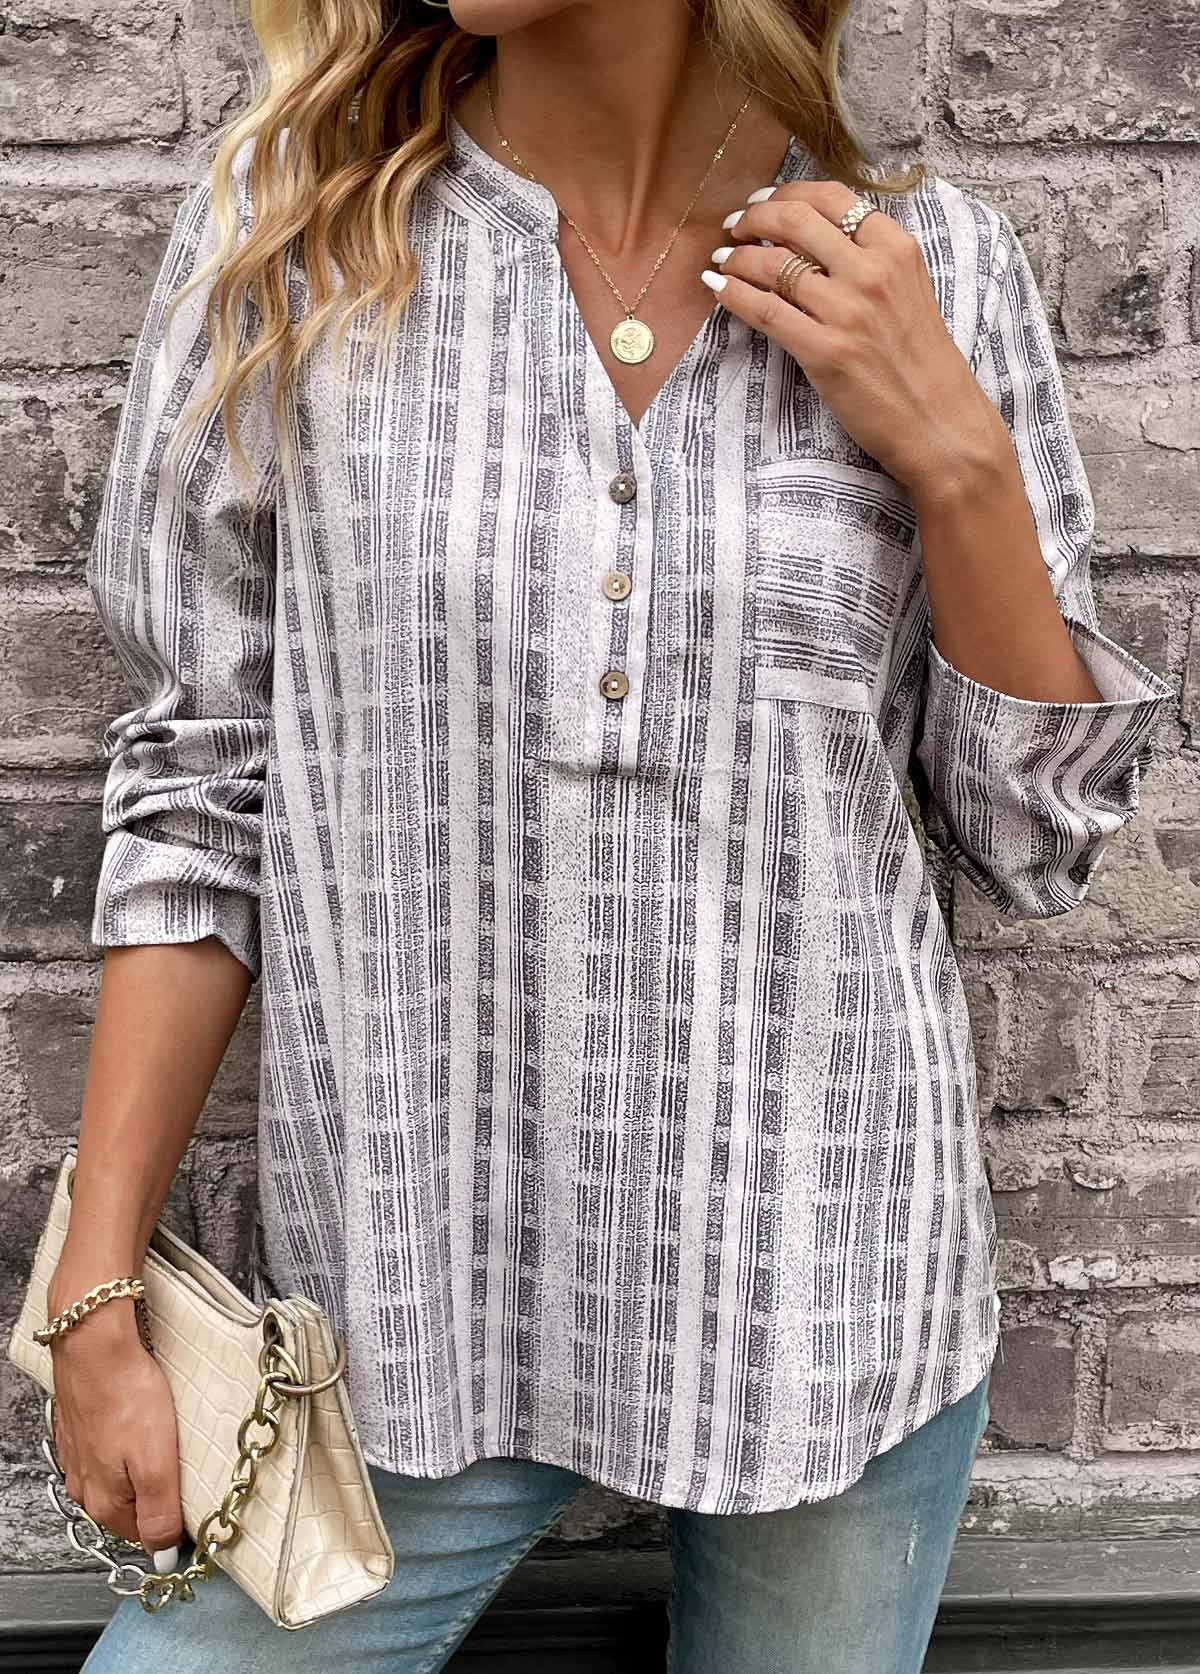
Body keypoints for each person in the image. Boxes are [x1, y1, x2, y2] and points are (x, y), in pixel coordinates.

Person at [46, 1, 1171, 1670]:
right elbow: (201, 790)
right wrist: (95, 1291)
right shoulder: (294, 239)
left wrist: (955, 458)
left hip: (829, 1310)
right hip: (412, 1321)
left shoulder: (928, 266)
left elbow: (1032, 839)